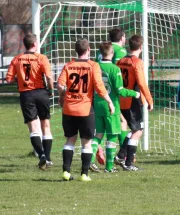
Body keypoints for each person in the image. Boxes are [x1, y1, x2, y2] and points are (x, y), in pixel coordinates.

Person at [57, 38, 115, 181]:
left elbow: (59, 85)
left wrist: (61, 97)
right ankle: (84, 174)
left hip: (69, 108)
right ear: (88, 50)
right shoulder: (93, 66)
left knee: (70, 140)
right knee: (86, 142)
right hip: (85, 110)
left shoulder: (68, 65)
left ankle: (66, 172)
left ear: (76, 51)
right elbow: (99, 87)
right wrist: (109, 102)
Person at [4, 33, 55, 170]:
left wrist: (18, 79)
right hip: (41, 93)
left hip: (26, 94)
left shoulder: (17, 59)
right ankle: (48, 158)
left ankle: (41, 155)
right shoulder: (41, 58)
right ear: (34, 44)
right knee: (45, 126)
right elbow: (49, 77)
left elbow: (8, 79)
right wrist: (51, 90)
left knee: (33, 128)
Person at [89, 42, 139, 173]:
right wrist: (135, 93)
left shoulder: (94, 67)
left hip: (98, 104)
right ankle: (109, 167)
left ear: (100, 54)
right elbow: (120, 90)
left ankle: (90, 159)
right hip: (111, 105)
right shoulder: (114, 69)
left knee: (98, 134)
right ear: (112, 54)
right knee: (111, 136)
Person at [116, 35, 154, 171]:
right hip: (133, 100)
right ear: (141, 47)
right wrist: (149, 100)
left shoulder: (120, 61)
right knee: (138, 130)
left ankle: (120, 156)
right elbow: (142, 83)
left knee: (134, 129)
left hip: (122, 99)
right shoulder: (137, 62)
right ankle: (128, 163)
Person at [94, 28, 128, 167]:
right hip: (113, 94)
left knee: (103, 129)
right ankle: (123, 155)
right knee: (119, 125)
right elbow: (121, 70)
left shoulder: (100, 51)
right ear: (122, 38)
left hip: (99, 94)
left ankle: (99, 149)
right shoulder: (120, 51)